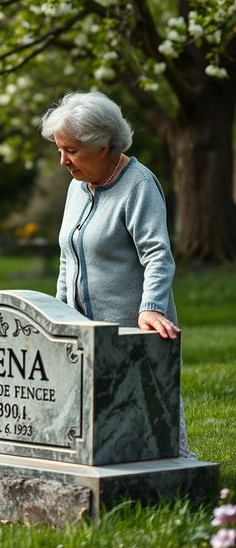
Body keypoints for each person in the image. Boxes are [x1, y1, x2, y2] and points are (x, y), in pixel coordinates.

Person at [40, 91, 193, 457]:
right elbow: (67, 257)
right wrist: (59, 314)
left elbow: (157, 254)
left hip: (129, 323)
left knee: (146, 418)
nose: (63, 160)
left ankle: (170, 476)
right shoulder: (77, 186)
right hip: (80, 326)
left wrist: (152, 307)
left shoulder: (139, 185)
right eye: (59, 149)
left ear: (104, 144)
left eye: (72, 150)